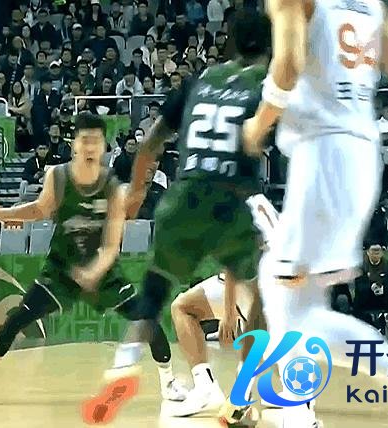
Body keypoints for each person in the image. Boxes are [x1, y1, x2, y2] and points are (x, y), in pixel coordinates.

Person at [237, 0, 388, 426]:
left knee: (280, 291)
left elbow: (288, 65)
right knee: (300, 302)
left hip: (322, 155)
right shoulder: (369, 5)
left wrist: (257, 126)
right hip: (361, 155)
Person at [81, 11, 270, 424]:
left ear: (230, 43)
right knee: (257, 303)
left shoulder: (199, 81)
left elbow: (150, 142)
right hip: (231, 200)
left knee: (154, 295)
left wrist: (136, 191)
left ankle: (125, 364)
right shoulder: (266, 85)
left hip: (180, 200)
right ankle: (243, 393)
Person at [0, 113, 187, 406]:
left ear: (103, 147)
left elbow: (112, 244)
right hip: (61, 270)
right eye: (84, 140)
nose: (90, 147)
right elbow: (39, 210)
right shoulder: (57, 176)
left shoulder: (113, 186)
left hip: (103, 273)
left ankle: (169, 383)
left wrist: (93, 272)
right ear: (74, 144)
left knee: (147, 319)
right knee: (16, 320)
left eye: (96, 141)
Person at [167, 194, 278, 420]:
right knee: (182, 307)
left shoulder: (230, 204)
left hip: (259, 289)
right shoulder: (259, 202)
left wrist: (228, 315)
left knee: (266, 347)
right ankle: (206, 387)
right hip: (267, 288)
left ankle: (282, 393)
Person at [352, 244, 388, 339]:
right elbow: (358, 285)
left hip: (384, 297)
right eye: (373, 251)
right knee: (357, 300)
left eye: (378, 251)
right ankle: (365, 327)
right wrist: (371, 288)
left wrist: (383, 289)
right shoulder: (361, 267)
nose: (376, 254)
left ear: (382, 253)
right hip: (368, 297)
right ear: (368, 252)